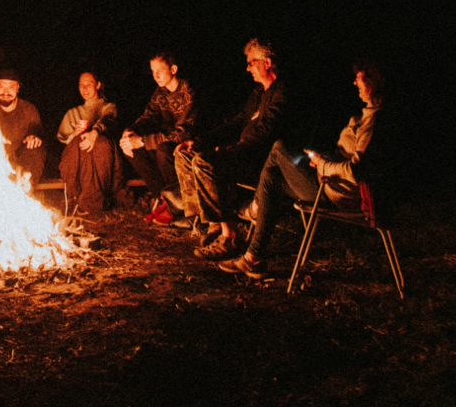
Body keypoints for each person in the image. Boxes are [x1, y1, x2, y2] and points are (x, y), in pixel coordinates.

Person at [218, 61, 385, 279]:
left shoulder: (374, 120)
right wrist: (323, 158)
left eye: (359, 77)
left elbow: (356, 171)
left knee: (278, 148)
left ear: (374, 80)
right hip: (330, 183)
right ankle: (253, 257)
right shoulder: (368, 115)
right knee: (271, 178)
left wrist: (323, 164)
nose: (354, 82)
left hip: (337, 193)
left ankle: (254, 209)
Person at [176, 38, 286, 260]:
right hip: (241, 153)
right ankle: (214, 224)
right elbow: (237, 122)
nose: (248, 68)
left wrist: (229, 150)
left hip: (258, 159)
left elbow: (266, 131)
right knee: (185, 156)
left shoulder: (282, 92)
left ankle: (230, 236)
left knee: (205, 162)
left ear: (266, 62)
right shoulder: (258, 93)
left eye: (251, 62)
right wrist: (199, 142)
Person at [120, 51, 196, 222]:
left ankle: (176, 204)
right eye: (153, 71)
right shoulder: (160, 92)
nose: (156, 75)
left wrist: (141, 141)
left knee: (162, 150)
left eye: (160, 70)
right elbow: (149, 115)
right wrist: (131, 131)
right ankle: (161, 197)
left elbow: (183, 133)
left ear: (173, 69)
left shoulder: (188, 91)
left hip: (188, 146)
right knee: (130, 148)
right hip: (166, 144)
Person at [57, 71, 127, 215]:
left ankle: (91, 201)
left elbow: (108, 119)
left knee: (100, 143)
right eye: (81, 85)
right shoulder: (73, 113)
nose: (84, 88)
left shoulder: (108, 107)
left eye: (89, 84)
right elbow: (63, 141)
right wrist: (75, 134)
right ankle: (79, 196)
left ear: (98, 85)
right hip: (78, 162)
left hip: (105, 162)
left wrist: (94, 133)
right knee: (78, 141)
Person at [0, 69, 46, 186]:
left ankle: (26, 192)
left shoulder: (28, 110)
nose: (6, 91)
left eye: (10, 87)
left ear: (18, 88)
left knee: (35, 148)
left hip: (19, 162)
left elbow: (36, 131)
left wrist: (34, 137)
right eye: (1, 86)